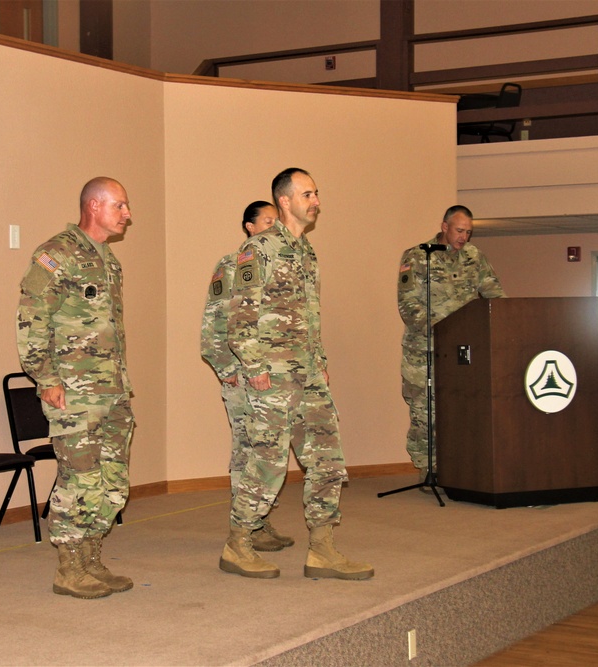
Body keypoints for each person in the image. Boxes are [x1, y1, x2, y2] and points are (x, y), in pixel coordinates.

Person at [221, 168, 374, 581]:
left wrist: (320, 360)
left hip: (308, 376)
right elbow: (239, 319)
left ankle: (322, 549)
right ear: (285, 201)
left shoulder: (307, 252)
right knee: (268, 464)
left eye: (317, 193)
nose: (316, 200)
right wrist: (254, 369)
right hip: (272, 378)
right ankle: (238, 544)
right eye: (308, 194)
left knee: (327, 460)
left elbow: (309, 317)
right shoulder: (259, 249)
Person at [16, 176, 135, 600]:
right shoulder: (56, 254)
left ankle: (91, 558)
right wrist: (45, 379)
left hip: (112, 391)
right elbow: (31, 320)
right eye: (119, 206)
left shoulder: (108, 260)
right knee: (79, 479)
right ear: (94, 206)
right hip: (74, 392)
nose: (127, 215)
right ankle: (69, 567)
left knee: (113, 481)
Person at [200, 200, 294, 553]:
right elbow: (214, 325)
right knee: (248, 450)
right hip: (242, 377)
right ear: (249, 228)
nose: (273, 228)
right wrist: (227, 371)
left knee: (267, 452)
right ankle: (246, 527)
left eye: (277, 222)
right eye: (267, 222)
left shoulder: (282, 265)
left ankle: (259, 521)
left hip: (274, 379)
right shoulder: (232, 266)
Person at [397, 205, 505, 480]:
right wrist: (442, 331)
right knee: (426, 413)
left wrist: (507, 318)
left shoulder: (474, 257)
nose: (463, 237)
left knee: (463, 409)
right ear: (444, 227)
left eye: (468, 232)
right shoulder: (418, 256)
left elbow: (494, 293)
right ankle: (427, 469)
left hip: (463, 352)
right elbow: (408, 306)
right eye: (459, 231)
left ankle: (459, 467)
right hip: (425, 351)